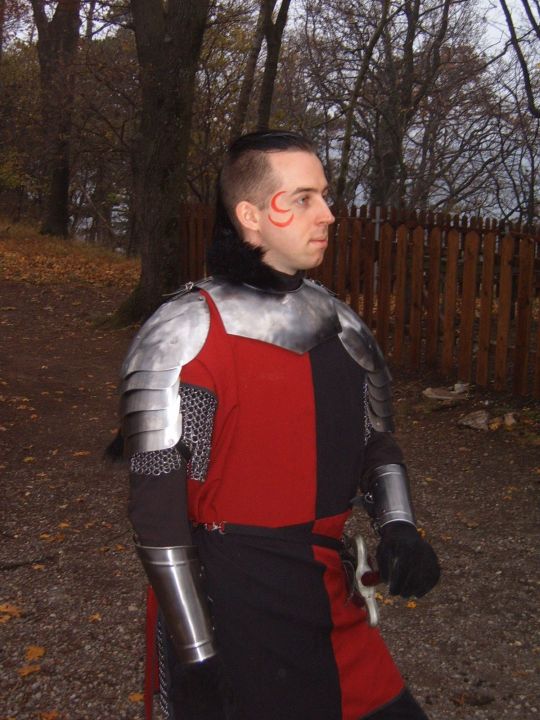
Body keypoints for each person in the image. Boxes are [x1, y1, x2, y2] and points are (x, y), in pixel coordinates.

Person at [118, 130, 440, 720]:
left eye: (324, 196)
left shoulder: (343, 325)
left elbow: (375, 442)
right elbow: (157, 511)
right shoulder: (184, 333)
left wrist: (399, 527)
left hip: (325, 590)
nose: (328, 214)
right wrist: (197, 650)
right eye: (304, 198)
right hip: (230, 604)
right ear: (251, 216)